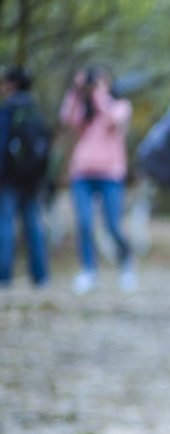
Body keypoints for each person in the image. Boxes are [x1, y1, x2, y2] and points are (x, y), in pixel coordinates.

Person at [59, 66, 136, 294]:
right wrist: (76, 91)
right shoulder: (84, 107)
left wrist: (98, 94)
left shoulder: (120, 105)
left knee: (113, 225)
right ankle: (88, 270)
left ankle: (126, 263)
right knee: (84, 224)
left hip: (111, 173)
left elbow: (113, 120)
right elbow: (67, 119)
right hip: (82, 173)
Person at [0, 66, 50, 288]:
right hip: (32, 179)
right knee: (33, 225)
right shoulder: (36, 111)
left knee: (6, 225)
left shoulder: (8, 111)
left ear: (12, 84)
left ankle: (4, 276)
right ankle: (40, 276)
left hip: (9, 179)